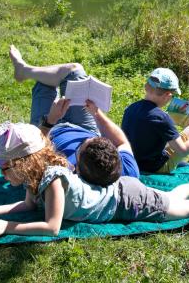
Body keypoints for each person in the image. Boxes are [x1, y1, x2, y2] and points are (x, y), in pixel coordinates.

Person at [0, 123, 189, 238]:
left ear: (26, 163)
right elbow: (26, 206)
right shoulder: (34, 180)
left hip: (127, 201)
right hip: (121, 192)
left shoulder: (53, 181)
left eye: (4, 168)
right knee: (176, 199)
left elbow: (51, 227)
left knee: (188, 210)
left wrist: (7, 228)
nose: (2, 174)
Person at [9, 45, 139, 183]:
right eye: (95, 140)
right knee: (75, 71)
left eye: (81, 146)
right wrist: (96, 113)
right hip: (85, 127)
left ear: (77, 167)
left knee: (44, 84)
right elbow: (122, 142)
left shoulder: (61, 174)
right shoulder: (127, 172)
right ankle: (24, 70)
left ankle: (23, 70)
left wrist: (50, 121)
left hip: (48, 132)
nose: (81, 141)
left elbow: (34, 152)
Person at [122, 68, 189, 174]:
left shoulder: (131, 108)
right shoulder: (162, 118)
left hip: (132, 162)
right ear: (168, 95)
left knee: (179, 135)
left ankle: (175, 160)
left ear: (146, 87)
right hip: (155, 167)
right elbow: (183, 150)